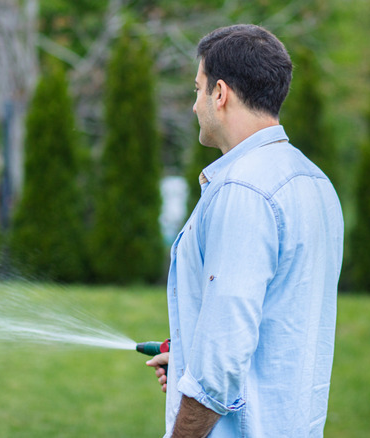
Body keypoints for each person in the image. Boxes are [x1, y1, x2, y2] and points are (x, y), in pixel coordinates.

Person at [145, 24, 344, 437]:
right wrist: (186, 360)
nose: (194, 104)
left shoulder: (244, 190)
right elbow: (272, 315)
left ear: (220, 93)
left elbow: (220, 363)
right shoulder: (312, 180)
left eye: (197, 90)